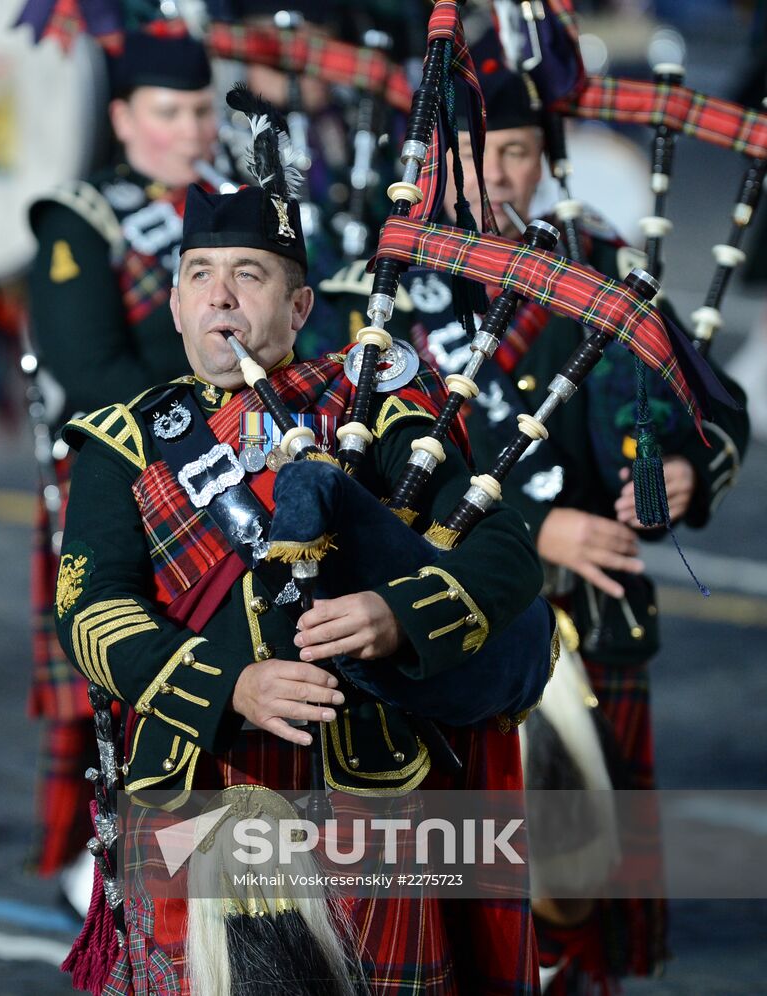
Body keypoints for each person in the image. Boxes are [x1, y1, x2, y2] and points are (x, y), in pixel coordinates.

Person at [53, 93, 549, 991]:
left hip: (365, 782)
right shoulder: (121, 442)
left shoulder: (377, 409)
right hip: (198, 783)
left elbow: (504, 551)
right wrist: (232, 685)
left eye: (248, 274)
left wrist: (396, 614)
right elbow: (92, 613)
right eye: (199, 275)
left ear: (298, 305)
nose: (220, 296)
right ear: (176, 306)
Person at [316, 42, 750, 991]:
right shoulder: (377, 290)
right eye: (478, 154)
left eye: (517, 152)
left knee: (580, 892)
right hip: (444, 623)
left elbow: (715, 409)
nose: (499, 175)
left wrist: (685, 468)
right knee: (465, 899)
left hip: (593, 613)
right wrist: (535, 526)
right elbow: (348, 468)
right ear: (436, 161)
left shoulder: (603, 269)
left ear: (545, 157)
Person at [22, 30, 223, 910]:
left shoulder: (238, 205)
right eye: (168, 111)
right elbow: (89, 368)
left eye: (202, 110)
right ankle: (104, 860)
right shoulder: (82, 217)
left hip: (240, 468)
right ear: (123, 117)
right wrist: (203, 435)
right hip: (135, 473)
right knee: (130, 670)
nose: (191, 130)